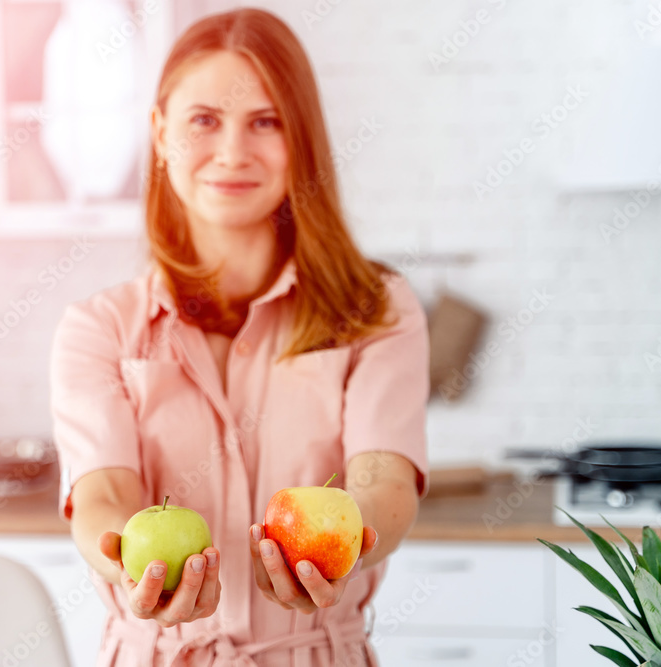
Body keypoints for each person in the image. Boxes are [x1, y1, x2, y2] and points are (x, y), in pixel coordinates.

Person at [50, 8, 430, 666]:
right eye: (205, 119)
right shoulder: (100, 328)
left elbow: (382, 478)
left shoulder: (377, 308)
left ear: (301, 138)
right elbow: (104, 495)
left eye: (266, 121)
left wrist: (349, 544)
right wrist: (128, 569)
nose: (232, 152)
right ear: (160, 132)